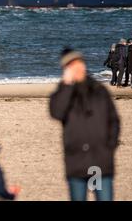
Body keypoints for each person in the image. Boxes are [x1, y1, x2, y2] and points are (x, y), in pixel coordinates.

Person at [49, 48, 120, 201]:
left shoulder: (99, 90)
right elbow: (56, 112)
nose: (77, 67)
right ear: (65, 70)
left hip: (100, 161)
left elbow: (114, 120)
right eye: (71, 65)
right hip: (77, 162)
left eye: (79, 63)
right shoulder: (63, 93)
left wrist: (109, 145)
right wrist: (66, 84)